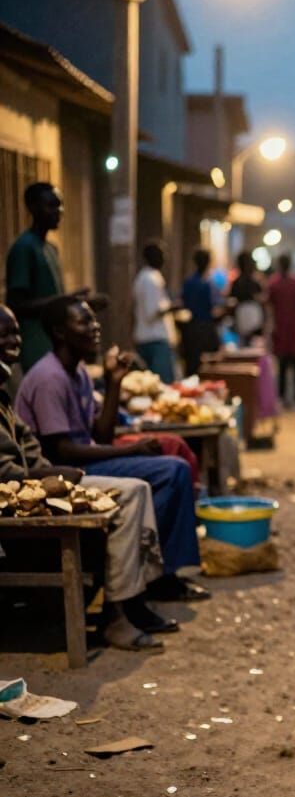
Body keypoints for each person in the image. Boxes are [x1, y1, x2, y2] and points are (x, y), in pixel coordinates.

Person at [0, 304, 170, 651]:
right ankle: (118, 615)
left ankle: (126, 603)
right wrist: (49, 475)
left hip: (35, 485)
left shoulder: (5, 394)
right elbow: (9, 473)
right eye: (4, 334)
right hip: (13, 500)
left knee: (135, 490)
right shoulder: (48, 377)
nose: (14, 340)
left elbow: (34, 450)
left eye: (16, 331)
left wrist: (50, 474)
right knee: (134, 490)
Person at [15, 296, 206, 601]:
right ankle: (148, 576)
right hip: (63, 473)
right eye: (84, 321)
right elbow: (62, 451)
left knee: (172, 468)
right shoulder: (49, 377)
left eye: (93, 320)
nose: (94, 327)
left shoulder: (78, 373)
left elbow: (101, 434)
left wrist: (114, 382)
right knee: (172, 471)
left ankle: (159, 572)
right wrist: (131, 451)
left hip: (88, 461)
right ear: (60, 332)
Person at [132, 243, 180, 384]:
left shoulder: (144, 277)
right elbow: (151, 312)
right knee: (161, 384)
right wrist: (172, 307)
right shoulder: (150, 279)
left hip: (147, 337)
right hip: (155, 339)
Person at [267, 253, 295, 407]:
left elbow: (269, 308)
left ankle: (283, 396)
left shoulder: (274, 284)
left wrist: (271, 327)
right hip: (294, 328)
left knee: (282, 365)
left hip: (281, 327)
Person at [180, 249, 225, 376]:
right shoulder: (209, 284)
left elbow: (183, 302)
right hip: (206, 329)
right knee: (210, 369)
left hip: (191, 330)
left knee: (192, 368)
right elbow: (216, 307)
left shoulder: (188, 283)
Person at [229, 251, 265, 347]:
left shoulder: (236, 282)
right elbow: (261, 297)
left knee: (243, 344)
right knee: (255, 344)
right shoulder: (255, 280)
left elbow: (232, 299)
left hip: (241, 314)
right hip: (254, 313)